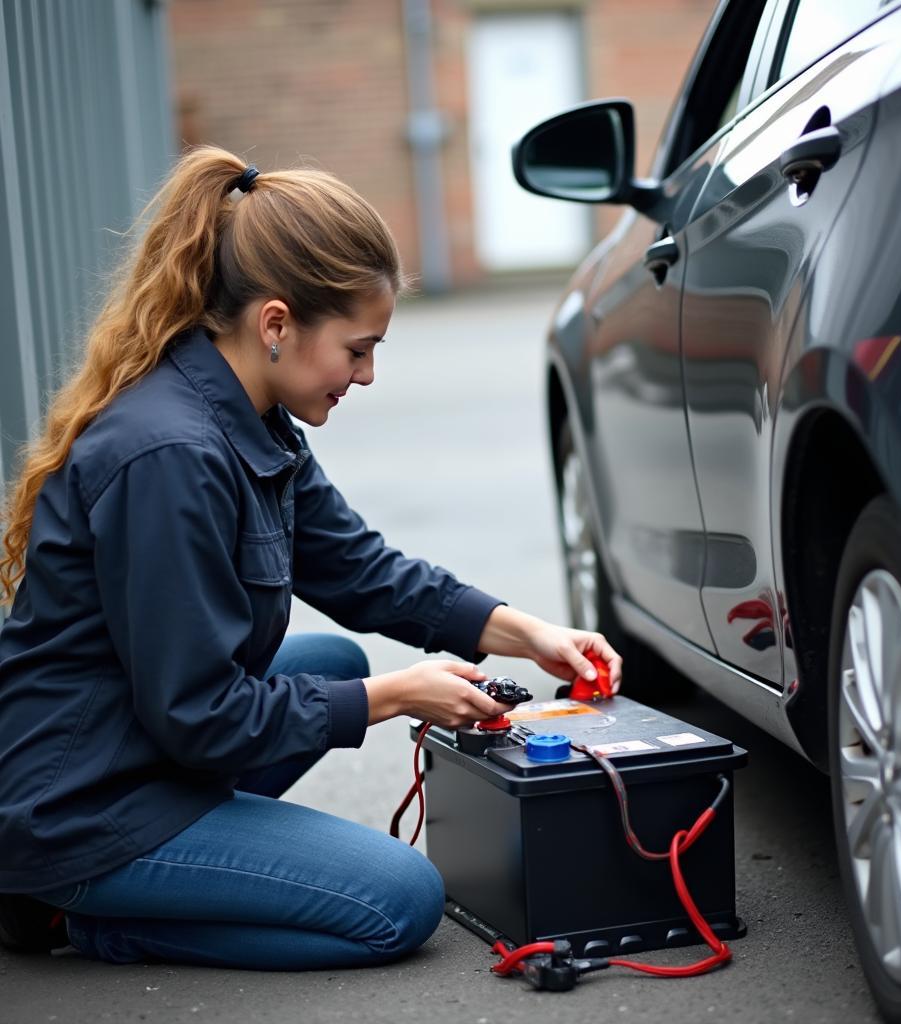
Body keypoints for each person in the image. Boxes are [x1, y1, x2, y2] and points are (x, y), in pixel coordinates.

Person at [0, 146, 621, 971]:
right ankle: (78, 915)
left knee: (332, 656)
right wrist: (396, 696)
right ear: (277, 324)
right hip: (84, 807)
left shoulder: (252, 420)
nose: (367, 375)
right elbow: (202, 716)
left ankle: (164, 873)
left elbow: (360, 568)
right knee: (398, 901)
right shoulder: (170, 458)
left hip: (140, 750)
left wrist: (527, 632)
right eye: (358, 350)